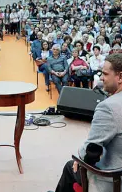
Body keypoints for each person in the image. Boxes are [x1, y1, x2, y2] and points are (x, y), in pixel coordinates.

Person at [49, 53, 122, 192]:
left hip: (114, 179)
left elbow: (91, 149)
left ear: (120, 77)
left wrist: (80, 158)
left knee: (70, 167)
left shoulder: (108, 107)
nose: (101, 78)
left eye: (105, 74)